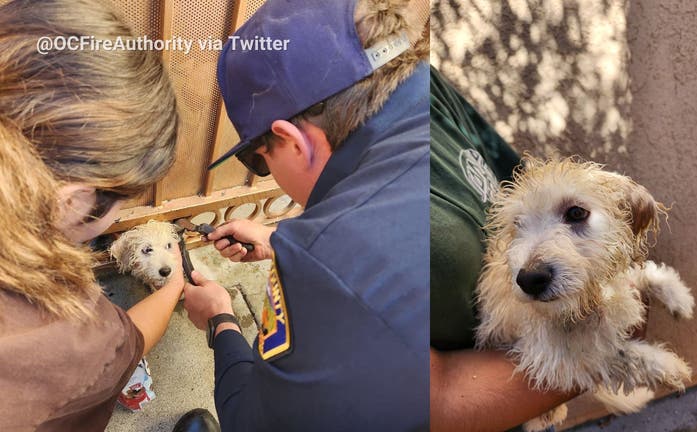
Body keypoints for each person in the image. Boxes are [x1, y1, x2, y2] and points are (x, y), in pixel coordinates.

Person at [180, 0, 430, 429]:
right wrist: (280, 241)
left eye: (259, 160)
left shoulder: (319, 258)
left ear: (293, 141)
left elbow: (255, 421)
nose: (265, 171)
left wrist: (220, 319)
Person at [0, 0, 207, 430]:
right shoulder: (60, 333)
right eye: (124, 201)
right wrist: (177, 285)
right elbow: (122, 346)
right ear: (73, 201)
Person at [428, 67, 577, 432]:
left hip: (538, 395)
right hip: (513, 398)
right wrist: (596, 355)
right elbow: (436, 398)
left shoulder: (423, 84)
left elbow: (519, 181)